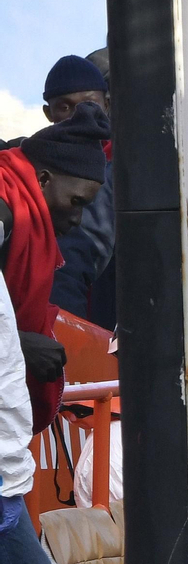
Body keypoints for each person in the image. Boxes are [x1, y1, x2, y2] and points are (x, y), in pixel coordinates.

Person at [0, 106, 107, 564]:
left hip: (7, 472)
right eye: (80, 192)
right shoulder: (8, 206)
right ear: (47, 172)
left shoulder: (20, 209)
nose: (84, 208)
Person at [0, 103, 109, 439]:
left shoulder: (21, 216)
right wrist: (17, 345)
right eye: (76, 202)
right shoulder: (4, 211)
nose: (77, 220)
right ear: (43, 180)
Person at [42, 56, 118, 329]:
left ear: (107, 105)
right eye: (65, 107)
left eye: (90, 104)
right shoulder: (29, 163)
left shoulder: (125, 169)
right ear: (48, 114)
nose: (80, 116)